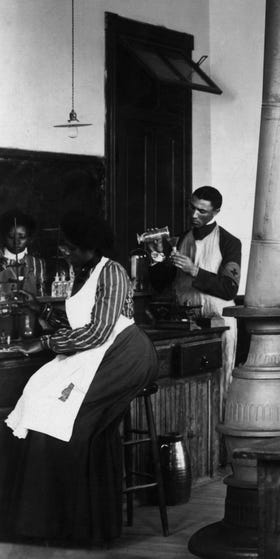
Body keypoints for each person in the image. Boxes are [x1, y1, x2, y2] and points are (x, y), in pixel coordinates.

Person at [0, 211, 158, 545]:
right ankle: (45, 521)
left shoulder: (112, 272)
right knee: (38, 404)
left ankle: (81, 526)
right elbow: (78, 326)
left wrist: (43, 343)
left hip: (125, 356)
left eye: (71, 248)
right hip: (98, 354)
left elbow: (99, 331)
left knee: (69, 420)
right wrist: (38, 309)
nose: (65, 253)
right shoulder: (83, 272)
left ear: (90, 247)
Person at [148, 186, 241, 409]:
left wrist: (195, 271)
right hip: (186, 326)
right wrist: (157, 255)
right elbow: (160, 284)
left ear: (216, 212)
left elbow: (229, 288)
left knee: (219, 388)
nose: (194, 215)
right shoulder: (180, 240)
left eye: (202, 211)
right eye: (192, 208)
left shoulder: (229, 242)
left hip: (219, 325)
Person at [0, 209, 45, 297]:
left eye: (22, 237)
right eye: (11, 236)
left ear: (29, 238)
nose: (16, 241)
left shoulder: (37, 263)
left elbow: (41, 294)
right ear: (4, 236)